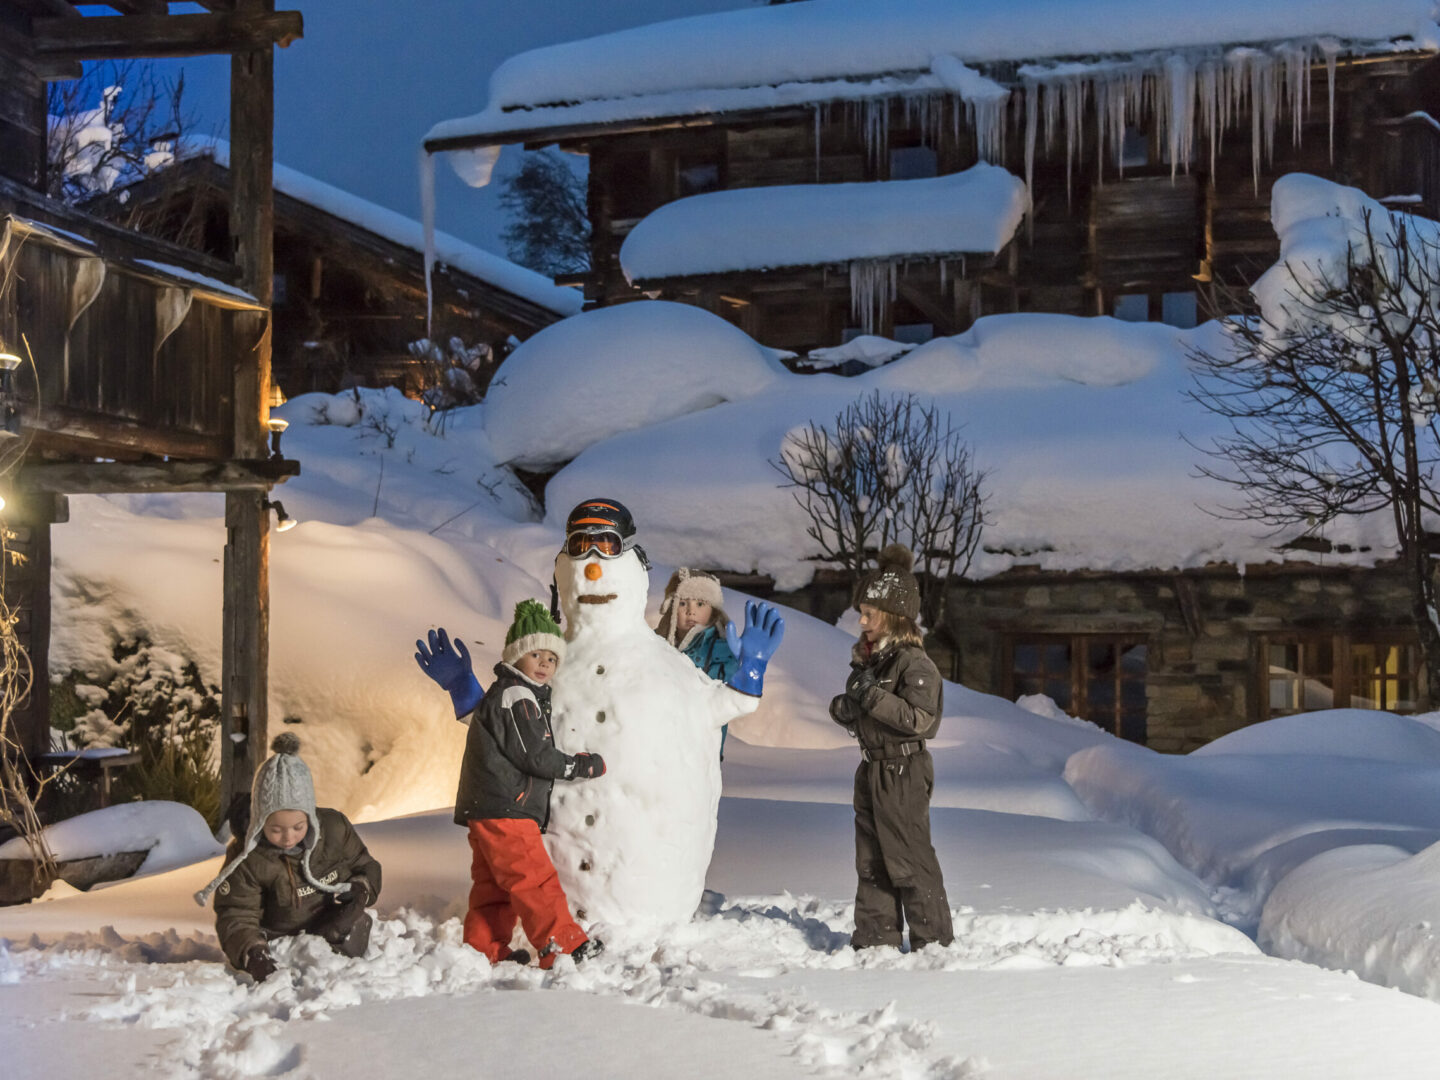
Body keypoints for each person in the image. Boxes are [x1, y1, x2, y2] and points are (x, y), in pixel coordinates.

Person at [416, 599, 607, 968]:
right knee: (533, 879)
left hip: (485, 807)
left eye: (551, 659)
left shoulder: (502, 694)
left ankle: (483, 949)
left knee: (493, 887)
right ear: (516, 656)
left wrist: (461, 686)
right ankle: (562, 946)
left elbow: (483, 724)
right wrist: (579, 766)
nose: (544, 665)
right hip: (507, 807)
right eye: (535, 655)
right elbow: (533, 756)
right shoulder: (518, 697)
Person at [828, 544, 953, 952]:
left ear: (895, 616)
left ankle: (932, 941)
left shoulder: (914, 663)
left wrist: (870, 698)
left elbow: (921, 720)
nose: (861, 621)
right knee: (872, 859)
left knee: (909, 856)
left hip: (904, 771)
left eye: (869, 613)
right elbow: (874, 710)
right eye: (861, 612)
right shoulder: (872, 662)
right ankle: (875, 938)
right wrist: (850, 710)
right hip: (873, 770)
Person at [194, 734, 382, 981]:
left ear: (310, 817)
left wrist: (362, 889)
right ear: (260, 821)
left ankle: (339, 971)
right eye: (275, 829)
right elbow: (237, 913)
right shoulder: (248, 858)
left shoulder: (334, 829)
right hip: (274, 940)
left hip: (328, 925)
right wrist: (253, 952)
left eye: (298, 827)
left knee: (353, 934)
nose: (288, 837)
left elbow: (364, 864)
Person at [654, 567, 739, 758]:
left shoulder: (722, 649)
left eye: (700, 604)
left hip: (702, 750)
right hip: (658, 748)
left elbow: (731, 693)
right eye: (683, 603)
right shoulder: (655, 643)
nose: (691, 611)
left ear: (713, 610)